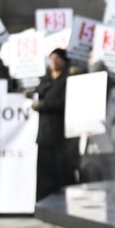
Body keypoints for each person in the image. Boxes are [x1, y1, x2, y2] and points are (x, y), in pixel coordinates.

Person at [29, 49, 76, 198]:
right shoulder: (44, 80)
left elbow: (64, 102)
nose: (53, 61)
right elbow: (37, 94)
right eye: (51, 58)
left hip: (61, 134)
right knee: (44, 173)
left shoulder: (68, 79)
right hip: (44, 135)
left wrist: (43, 105)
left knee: (61, 171)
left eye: (57, 58)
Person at [79, 61, 115, 182]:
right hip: (88, 145)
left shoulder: (112, 92)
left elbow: (111, 115)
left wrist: (94, 125)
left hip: (105, 143)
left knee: (104, 176)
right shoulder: (86, 92)